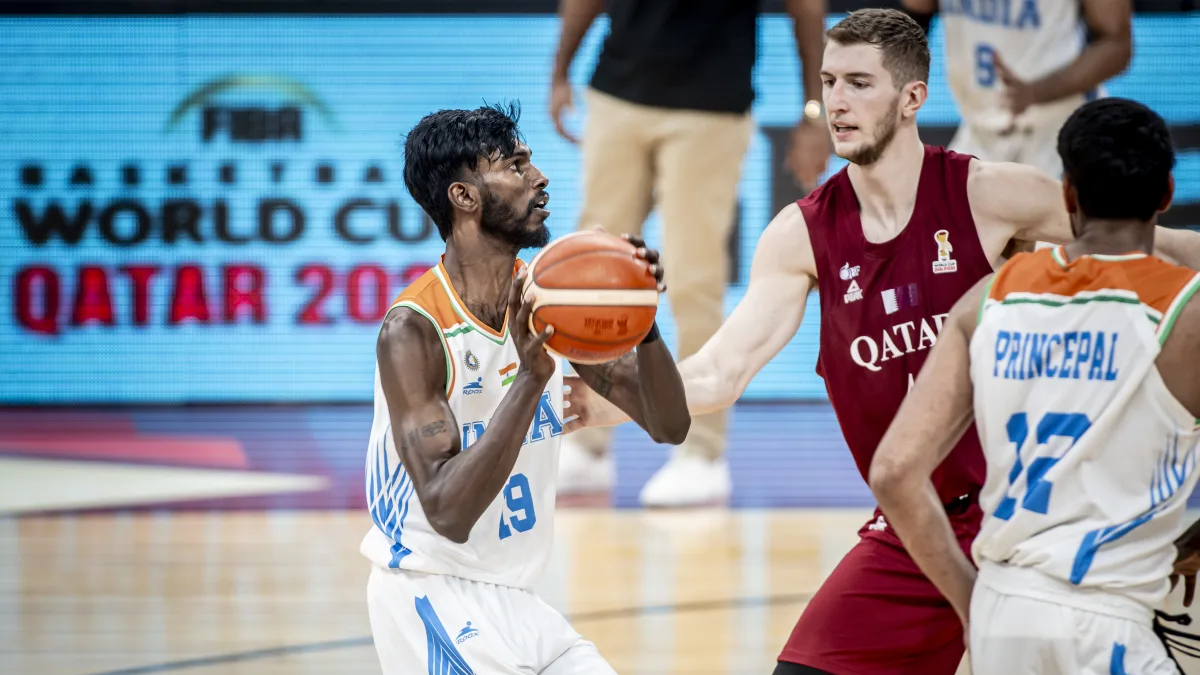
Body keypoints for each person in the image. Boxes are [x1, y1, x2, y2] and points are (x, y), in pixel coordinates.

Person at [564, 9, 1200, 674]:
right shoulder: (800, 234)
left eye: (859, 83)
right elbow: (720, 373)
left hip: (1029, 528)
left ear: (911, 97)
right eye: (828, 81)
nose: (837, 101)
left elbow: (1154, 241)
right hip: (916, 528)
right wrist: (600, 399)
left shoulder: (989, 193)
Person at [869, 97, 1200, 675]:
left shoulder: (987, 298)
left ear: (1067, 194)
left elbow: (893, 472)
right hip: (1107, 619)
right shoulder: (1186, 312)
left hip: (1002, 614)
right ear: (1167, 194)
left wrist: (972, 604)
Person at [362, 103, 690, 675]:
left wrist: (642, 322)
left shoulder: (548, 301)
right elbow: (447, 512)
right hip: (429, 592)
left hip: (521, 599)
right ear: (464, 196)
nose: (539, 178)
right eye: (515, 166)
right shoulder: (414, 329)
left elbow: (669, 424)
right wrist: (531, 381)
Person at [550, 0, 830, 507]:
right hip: (618, 91)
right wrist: (560, 70)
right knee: (590, 277)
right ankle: (585, 442)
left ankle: (701, 452)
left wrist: (815, 111)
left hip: (710, 104)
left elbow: (806, 8)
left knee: (693, 280)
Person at [900, 0, 1132, 177]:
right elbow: (915, 14)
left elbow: (1117, 45)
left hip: (1059, 136)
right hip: (979, 133)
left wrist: (1036, 92)